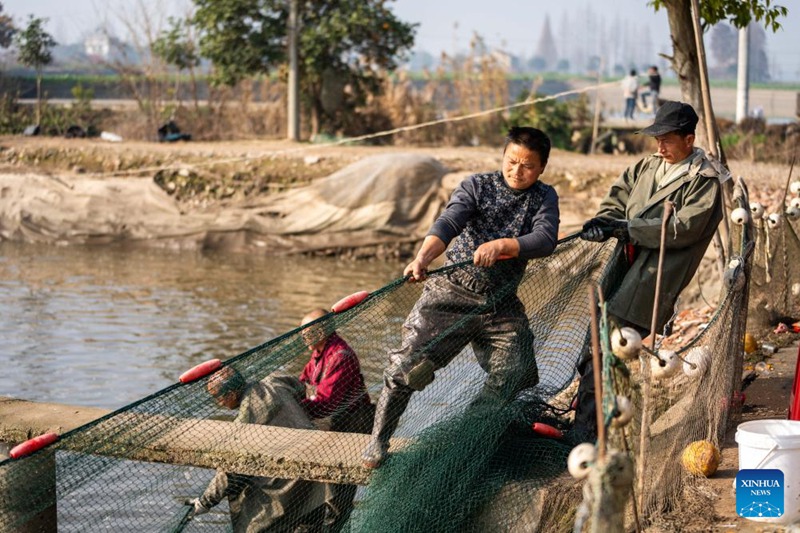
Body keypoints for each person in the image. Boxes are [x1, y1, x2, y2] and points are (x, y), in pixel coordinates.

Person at [361, 126, 560, 468]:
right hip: (451, 291)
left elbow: (545, 239)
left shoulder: (544, 197)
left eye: (527, 166)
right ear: (502, 157)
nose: (517, 171)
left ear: (541, 167)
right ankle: (378, 441)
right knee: (406, 368)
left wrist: (504, 246)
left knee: (518, 371)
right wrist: (423, 258)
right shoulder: (477, 186)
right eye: (511, 162)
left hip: (500, 301)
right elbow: (448, 223)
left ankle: (464, 436)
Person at [574, 101, 725, 440]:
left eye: (667, 140)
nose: (660, 146)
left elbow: (684, 227)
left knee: (607, 345)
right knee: (595, 340)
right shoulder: (647, 166)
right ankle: (590, 423)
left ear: (689, 139)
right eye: (656, 138)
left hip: (653, 278)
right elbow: (617, 199)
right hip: (623, 264)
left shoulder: (704, 180)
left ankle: (587, 434)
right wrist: (605, 221)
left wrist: (628, 228)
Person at [187, 367, 328, 532]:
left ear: (231, 394)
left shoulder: (245, 421)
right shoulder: (275, 379)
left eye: (217, 398)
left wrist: (205, 502)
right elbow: (304, 388)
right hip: (319, 483)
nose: (219, 404)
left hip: (291, 494)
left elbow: (230, 471)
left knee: (250, 507)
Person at [298, 308, 374, 531]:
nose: (303, 339)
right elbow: (302, 381)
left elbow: (326, 403)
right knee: (316, 491)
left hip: (350, 431)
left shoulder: (340, 356)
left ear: (322, 331)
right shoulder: (319, 353)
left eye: (306, 333)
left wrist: (294, 405)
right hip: (331, 430)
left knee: (338, 495)